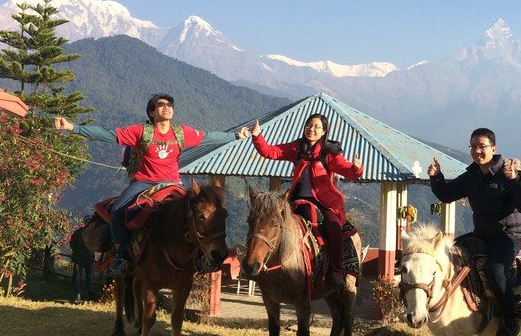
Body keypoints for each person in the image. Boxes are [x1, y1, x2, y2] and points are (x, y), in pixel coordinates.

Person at [55, 93, 250, 276]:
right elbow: (108, 134)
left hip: (172, 182)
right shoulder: (141, 131)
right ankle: (122, 255)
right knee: (118, 211)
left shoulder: (181, 132)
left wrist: (235, 136)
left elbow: (208, 137)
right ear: (151, 112)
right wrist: (73, 127)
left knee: (195, 213)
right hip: (143, 182)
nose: (167, 108)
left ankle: (200, 257)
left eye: (169, 105)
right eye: (161, 105)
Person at [428, 128, 521, 336]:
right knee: (452, 257)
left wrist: (517, 180)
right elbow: (447, 194)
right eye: (473, 146)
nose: (477, 151)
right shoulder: (472, 175)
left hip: (507, 236)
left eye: (482, 146)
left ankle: (508, 324)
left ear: (493, 148)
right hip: (481, 234)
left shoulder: (508, 172)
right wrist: (436, 177)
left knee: (497, 273)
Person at [250, 114, 363, 287]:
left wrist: (356, 168)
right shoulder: (296, 148)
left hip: (323, 201)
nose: (312, 129)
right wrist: (258, 136)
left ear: (324, 131)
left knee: (333, 226)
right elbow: (271, 152)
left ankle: (336, 269)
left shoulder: (329, 153)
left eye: (317, 127)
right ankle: (257, 262)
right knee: (266, 222)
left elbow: (345, 169)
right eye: (309, 125)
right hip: (296, 198)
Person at [70, 221, 95, 301]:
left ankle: (77, 295)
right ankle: (91, 296)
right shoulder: (92, 234)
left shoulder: (76, 233)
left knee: (77, 278)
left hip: (78, 258)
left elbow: (72, 244)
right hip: (89, 258)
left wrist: (76, 251)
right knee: (89, 278)